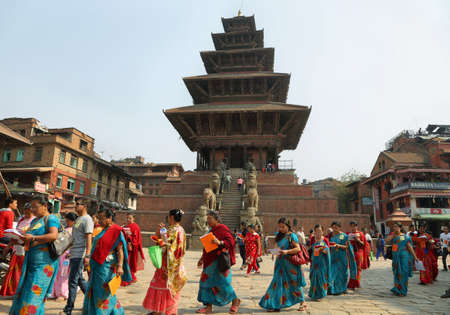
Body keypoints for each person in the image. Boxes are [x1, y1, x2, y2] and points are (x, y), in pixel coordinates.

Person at [9, 196, 60, 315]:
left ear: (45, 206)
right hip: (31, 263)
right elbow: (30, 241)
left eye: (35, 207)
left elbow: (53, 236)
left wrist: (33, 237)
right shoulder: (34, 221)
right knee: (26, 293)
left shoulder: (51, 218)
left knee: (34, 295)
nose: (33, 210)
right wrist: (18, 240)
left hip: (44, 265)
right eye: (32, 207)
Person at [81, 207, 131, 314]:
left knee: (104, 292)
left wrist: (120, 266)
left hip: (107, 267)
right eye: (98, 218)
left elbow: (120, 250)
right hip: (97, 266)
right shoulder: (103, 230)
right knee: (96, 290)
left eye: (102, 218)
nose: (99, 221)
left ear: (109, 218)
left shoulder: (116, 231)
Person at [143, 209, 187, 315]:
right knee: (162, 285)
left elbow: (171, 246)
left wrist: (163, 240)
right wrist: (159, 232)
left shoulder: (177, 230)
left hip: (170, 263)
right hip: (166, 262)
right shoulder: (174, 229)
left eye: (168, 216)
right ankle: (158, 309)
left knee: (167, 286)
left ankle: (167, 311)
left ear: (171, 217)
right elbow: (161, 241)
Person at [196, 211, 240, 314]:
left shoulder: (223, 228)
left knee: (223, 284)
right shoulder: (210, 230)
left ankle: (235, 301)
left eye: (210, 218)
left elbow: (231, 241)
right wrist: (202, 258)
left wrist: (219, 242)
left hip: (219, 262)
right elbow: (207, 246)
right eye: (207, 219)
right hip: (208, 262)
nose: (208, 221)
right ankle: (208, 307)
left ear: (217, 219)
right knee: (205, 283)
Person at [259, 218, 307, 312]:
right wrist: (274, 252)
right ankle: (275, 304)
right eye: (279, 227)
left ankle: (302, 302)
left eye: (283, 227)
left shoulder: (292, 236)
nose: (281, 229)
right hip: (280, 263)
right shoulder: (278, 235)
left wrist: (287, 251)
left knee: (293, 283)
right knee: (277, 283)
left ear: (288, 226)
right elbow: (276, 247)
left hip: (290, 263)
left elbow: (298, 249)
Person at [62, 197, 94, 315]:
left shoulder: (87, 219)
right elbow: (75, 238)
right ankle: (93, 301)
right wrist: (67, 250)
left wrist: (88, 255)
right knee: (80, 280)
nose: (76, 206)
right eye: (75, 204)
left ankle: (68, 308)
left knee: (72, 281)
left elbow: (88, 238)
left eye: (78, 204)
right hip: (74, 253)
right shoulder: (79, 219)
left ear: (84, 206)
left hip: (80, 255)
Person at [0, 203, 34, 296]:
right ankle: (13, 291)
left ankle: (21, 292)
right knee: (15, 272)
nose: (26, 214)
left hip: (26, 250)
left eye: (28, 213)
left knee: (22, 272)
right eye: (25, 212)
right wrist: (8, 246)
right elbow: (14, 234)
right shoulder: (21, 220)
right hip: (16, 249)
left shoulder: (34, 221)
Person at [385, 222, 418, 296]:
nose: (395, 228)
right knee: (397, 272)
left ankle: (403, 290)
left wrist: (415, 257)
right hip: (396, 256)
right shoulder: (393, 235)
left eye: (396, 227)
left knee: (403, 272)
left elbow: (409, 247)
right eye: (394, 227)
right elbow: (387, 240)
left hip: (404, 256)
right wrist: (393, 234)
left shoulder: (404, 236)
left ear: (400, 227)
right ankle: (397, 288)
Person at [50, 212, 77, 301]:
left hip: (67, 256)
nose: (66, 221)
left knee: (64, 274)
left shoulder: (75, 230)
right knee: (57, 273)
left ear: (73, 221)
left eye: (68, 220)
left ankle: (63, 293)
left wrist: (72, 252)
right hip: (60, 254)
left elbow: (76, 243)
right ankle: (54, 292)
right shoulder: (65, 229)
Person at [328, 221, 357, 296]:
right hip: (333, 257)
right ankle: (333, 289)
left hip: (342, 258)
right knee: (333, 273)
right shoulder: (331, 237)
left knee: (342, 274)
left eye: (336, 227)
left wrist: (338, 246)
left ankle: (343, 289)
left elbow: (347, 247)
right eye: (333, 227)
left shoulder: (343, 236)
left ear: (339, 227)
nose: (334, 229)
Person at [309, 224, 331, 301]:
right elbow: (311, 249)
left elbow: (327, 251)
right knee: (313, 278)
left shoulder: (325, 240)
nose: (318, 233)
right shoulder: (312, 239)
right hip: (314, 262)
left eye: (320, 231)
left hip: (322, 263)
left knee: (321, 279)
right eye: (316, 231)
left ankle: (321, 295)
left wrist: (323, 249)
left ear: (322, 232)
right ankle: (314, 294)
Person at [122, 214, 145, 286]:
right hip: (126, 247)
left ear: (133, 219)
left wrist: (130, 237)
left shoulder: (135, 227)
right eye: (127, 218)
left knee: (129, 263)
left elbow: (136, 239)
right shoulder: (125, 226)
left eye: (130, 218)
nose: (128, 220)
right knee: (126, 262)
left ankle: (131, 278)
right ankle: (130, 278)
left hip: (132, 249)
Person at [347, 221, 368, 289]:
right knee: (352, 268)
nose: (353, 227)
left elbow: (364, 244)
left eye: (354, 226)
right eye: (351, 226)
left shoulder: (361, 234)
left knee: (358, 269)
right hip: (351, 253)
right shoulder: (349, 234)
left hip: (359, 253)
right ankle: (352, 283)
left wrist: (358, 240)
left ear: (356, 226)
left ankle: (357, 283)